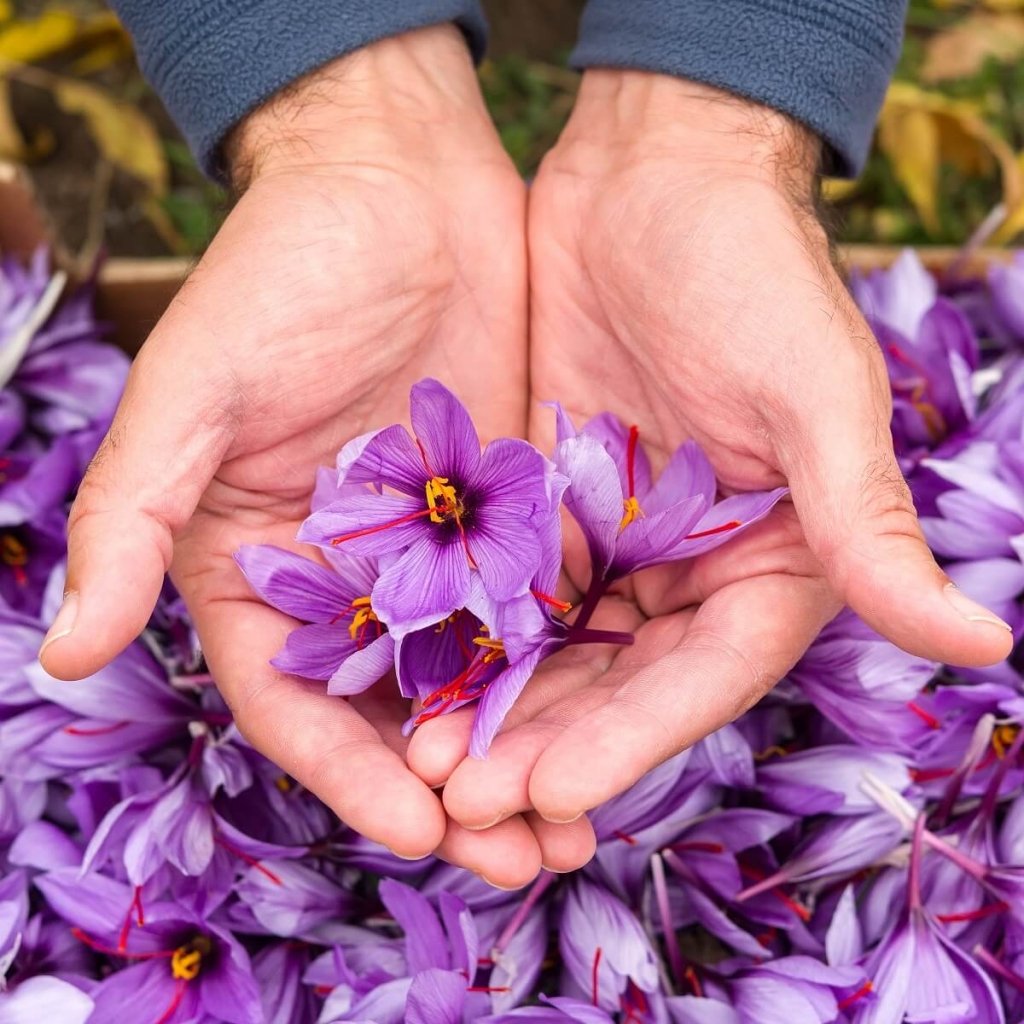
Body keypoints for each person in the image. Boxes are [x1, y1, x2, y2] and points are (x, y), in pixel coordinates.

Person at [39, 1, 1013, 889]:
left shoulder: (486, 494)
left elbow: (496, 499)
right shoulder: (442, 527)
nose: (437, 502)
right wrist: (346, 110)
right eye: (434, 504)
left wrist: (716, 112)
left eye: (441, 503)